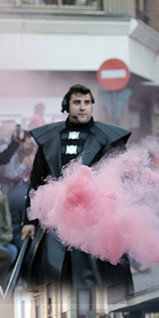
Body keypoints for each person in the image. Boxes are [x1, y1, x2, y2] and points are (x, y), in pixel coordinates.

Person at [22, 84, 131, 289]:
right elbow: (37, 180)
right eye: (77, 102)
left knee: (98, 282)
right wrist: (29, 221)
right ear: (67, 105)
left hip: (96, 223)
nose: (82, 107)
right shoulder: (50, 139)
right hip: (55, 219)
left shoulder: (109, 138)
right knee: (53, 277)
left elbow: (122, 180)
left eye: (87, 102)